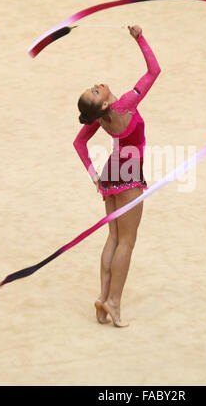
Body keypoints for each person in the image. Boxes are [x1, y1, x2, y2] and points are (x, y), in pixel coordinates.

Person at [73, 25, 161, 327]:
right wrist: (140, 38)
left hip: (112, 173)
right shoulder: (125, 103)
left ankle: (102, 296)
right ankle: (113, 302)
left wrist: (95, 176)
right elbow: (154, 71)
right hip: (129, 174)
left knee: (113, 237)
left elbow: (79, 142)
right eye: (96, 91)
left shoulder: (100, 119)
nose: (98, 84)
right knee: (127, 241)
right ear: (106, 103)